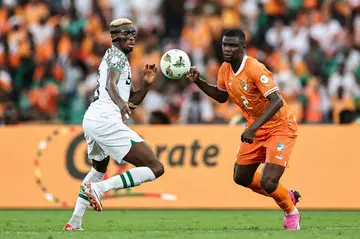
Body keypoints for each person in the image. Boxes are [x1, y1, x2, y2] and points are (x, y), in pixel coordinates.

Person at [186, 29, 301, 230]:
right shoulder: (224, 69)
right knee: (241, 178)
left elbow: (276, 102)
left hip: (279, 127)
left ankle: (291, 211)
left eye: (232, 46)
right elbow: (222, 97)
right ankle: (286, 194)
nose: (227, 49)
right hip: (256, 128)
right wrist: (199, 82)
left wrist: (253, 128)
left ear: (242, 48)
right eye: (224, 45)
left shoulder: (255, 68)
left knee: (268, 182)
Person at [64, 18, 164, 231]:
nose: (132, 38)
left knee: (98, 169)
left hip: (94, 118)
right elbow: (110, 84)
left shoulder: (117, 58)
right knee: (155, 168)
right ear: (115, 37)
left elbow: (131, 102)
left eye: (133, 34)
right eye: (127, 34)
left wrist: (145, 86)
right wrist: (120, 104)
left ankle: (74, 223)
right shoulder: (116, 56)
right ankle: (98, 190)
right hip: (105, 120)